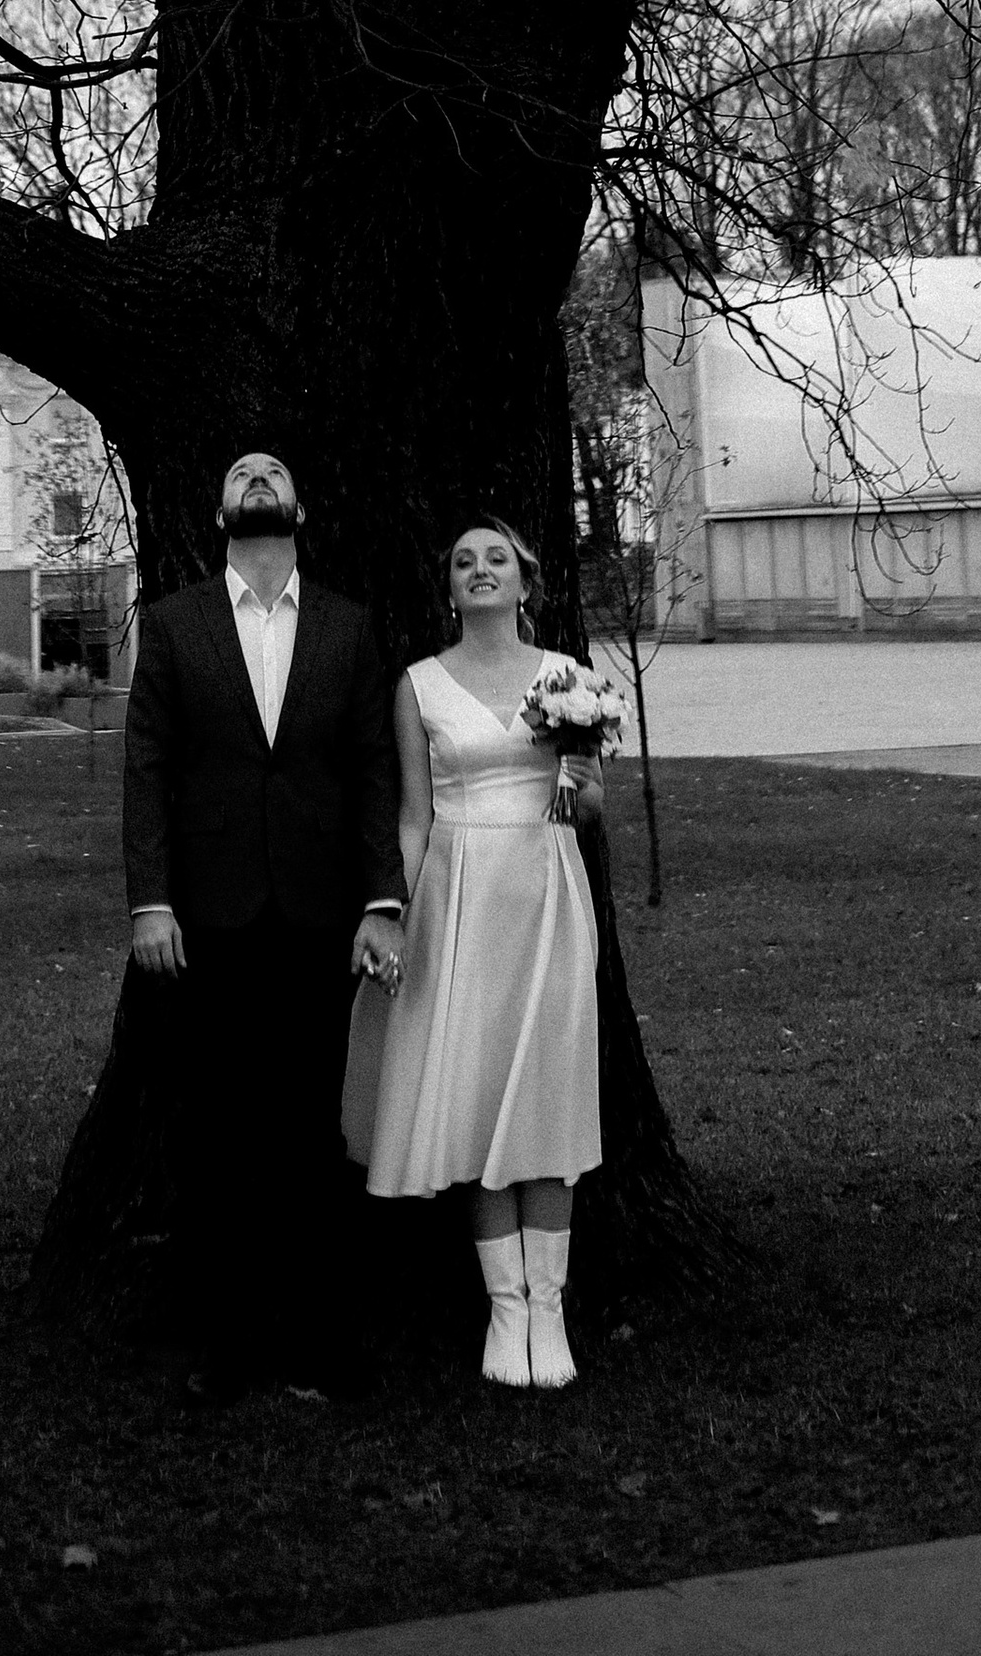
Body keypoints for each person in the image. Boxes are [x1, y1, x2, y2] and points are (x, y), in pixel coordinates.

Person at [122, 447, 407, 1401]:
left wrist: (382, 901)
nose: (256, 482)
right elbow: (147, 769)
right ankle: (230, 1344)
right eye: (240, 474)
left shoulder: (348, 628)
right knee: (220, 1134)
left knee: (313, 1130)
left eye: (273, 474)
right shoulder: (171, 626)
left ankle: (323, 1339)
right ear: (217, 513)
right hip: (211, 919)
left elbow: (375, 770)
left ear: (298, 508)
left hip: (323, 916)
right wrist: (150, 899)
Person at [343, 517, 603, 1390]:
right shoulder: (416, 686)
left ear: (526, 584)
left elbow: (589, 806)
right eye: (463, 562)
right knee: (479, 1093)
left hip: (544, 894)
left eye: (496, 560)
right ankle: (503, 1307)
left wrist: (582, 781)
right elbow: (413, 817)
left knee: (548, 1093)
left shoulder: (567, 676)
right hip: (457, 900)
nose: (479, 571)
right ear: (449, 589)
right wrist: (391, 913)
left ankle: (550, 1306)